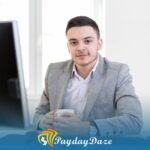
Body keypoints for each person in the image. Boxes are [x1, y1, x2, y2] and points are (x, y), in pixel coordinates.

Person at [33, 16, 143, 137]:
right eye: (74, 42)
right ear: (68, 47)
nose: (80, 47)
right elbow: (39, 114)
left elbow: (134, 120)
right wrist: (42, 122)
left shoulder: (118, 73)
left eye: (88, 41)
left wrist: (87, 129)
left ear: (99, 44)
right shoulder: (54, 71)